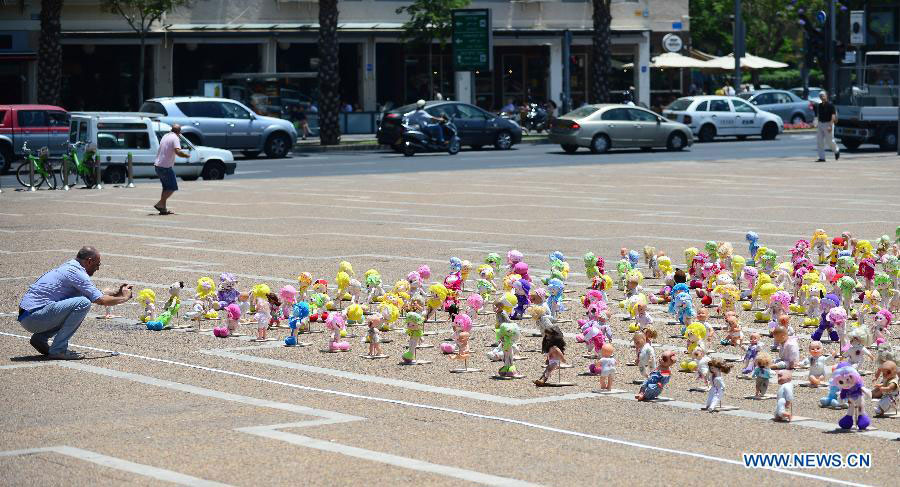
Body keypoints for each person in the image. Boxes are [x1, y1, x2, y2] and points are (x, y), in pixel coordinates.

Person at [17, 247, 133, 360]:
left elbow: (94, 294)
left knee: (79, 299)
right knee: (83, 303)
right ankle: (58, 350)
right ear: (89, 261)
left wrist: (118, 293)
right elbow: (100, 300)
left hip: (30, 316)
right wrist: (125, 297)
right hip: (34, 317)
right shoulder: (77, 273)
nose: (97, 268)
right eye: (97, 264)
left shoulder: (70, 267)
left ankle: (40, 339)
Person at [153, 124, 189, 215]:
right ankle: (160, 203)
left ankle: (163, 209)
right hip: (165, 167)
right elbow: (177, 151)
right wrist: (185, 155)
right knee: (172, 187)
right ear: (179, 132)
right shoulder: (175, 138)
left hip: (158, 165)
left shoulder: (166, 136)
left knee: (166, 188)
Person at [815, 91, 840, 162]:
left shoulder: (831, 105)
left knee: (830, 141)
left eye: (823, 96)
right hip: (821, 124)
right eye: (820, 96)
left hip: (828, 124)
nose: (822, 97)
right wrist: (817, 122)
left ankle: (836, 150)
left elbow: (833, 116)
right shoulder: (819, 105)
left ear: (826, 96)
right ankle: (822, 158)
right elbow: (818, 115)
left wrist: (830, 126)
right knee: (819, 141)